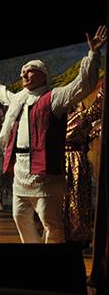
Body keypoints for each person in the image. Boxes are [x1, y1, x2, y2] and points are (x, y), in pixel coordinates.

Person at [0, 25, 106, 243]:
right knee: (19, 215)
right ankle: (34, 256)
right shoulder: (18, 99)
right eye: (23, 71)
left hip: (44, 172)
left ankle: (53, 264)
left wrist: (93, 55)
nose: (24, 74)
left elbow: (82, 85)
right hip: (21, 169)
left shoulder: (54, 97)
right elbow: (0, 92)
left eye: (30, 71)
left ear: (43, 75)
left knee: (50, 222)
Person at [63, 85, 104, 246]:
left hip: (75, 162)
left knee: (77, 198)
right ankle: (61, 232)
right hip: (59, 162)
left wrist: (102, 93)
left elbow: (96, 108)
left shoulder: (79, 117)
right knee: (60, 201)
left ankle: (76, 235)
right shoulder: (55, 121)